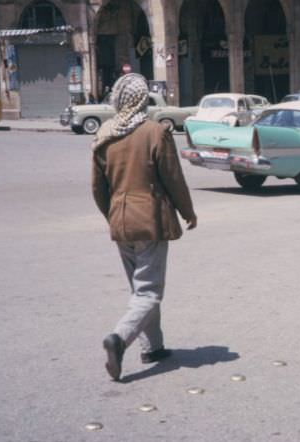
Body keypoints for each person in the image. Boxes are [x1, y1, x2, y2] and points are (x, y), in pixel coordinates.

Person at [91, 72, 198, 381]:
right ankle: (120, 338)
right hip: (149, 218)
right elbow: (173, 178)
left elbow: (98, 188)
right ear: (142, 99)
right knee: (149, 292)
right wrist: (187, 211)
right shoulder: (155, 132)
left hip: (120, 219)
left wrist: (113, 214)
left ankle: (153, 346)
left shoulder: (104, 134)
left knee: (140, 288)